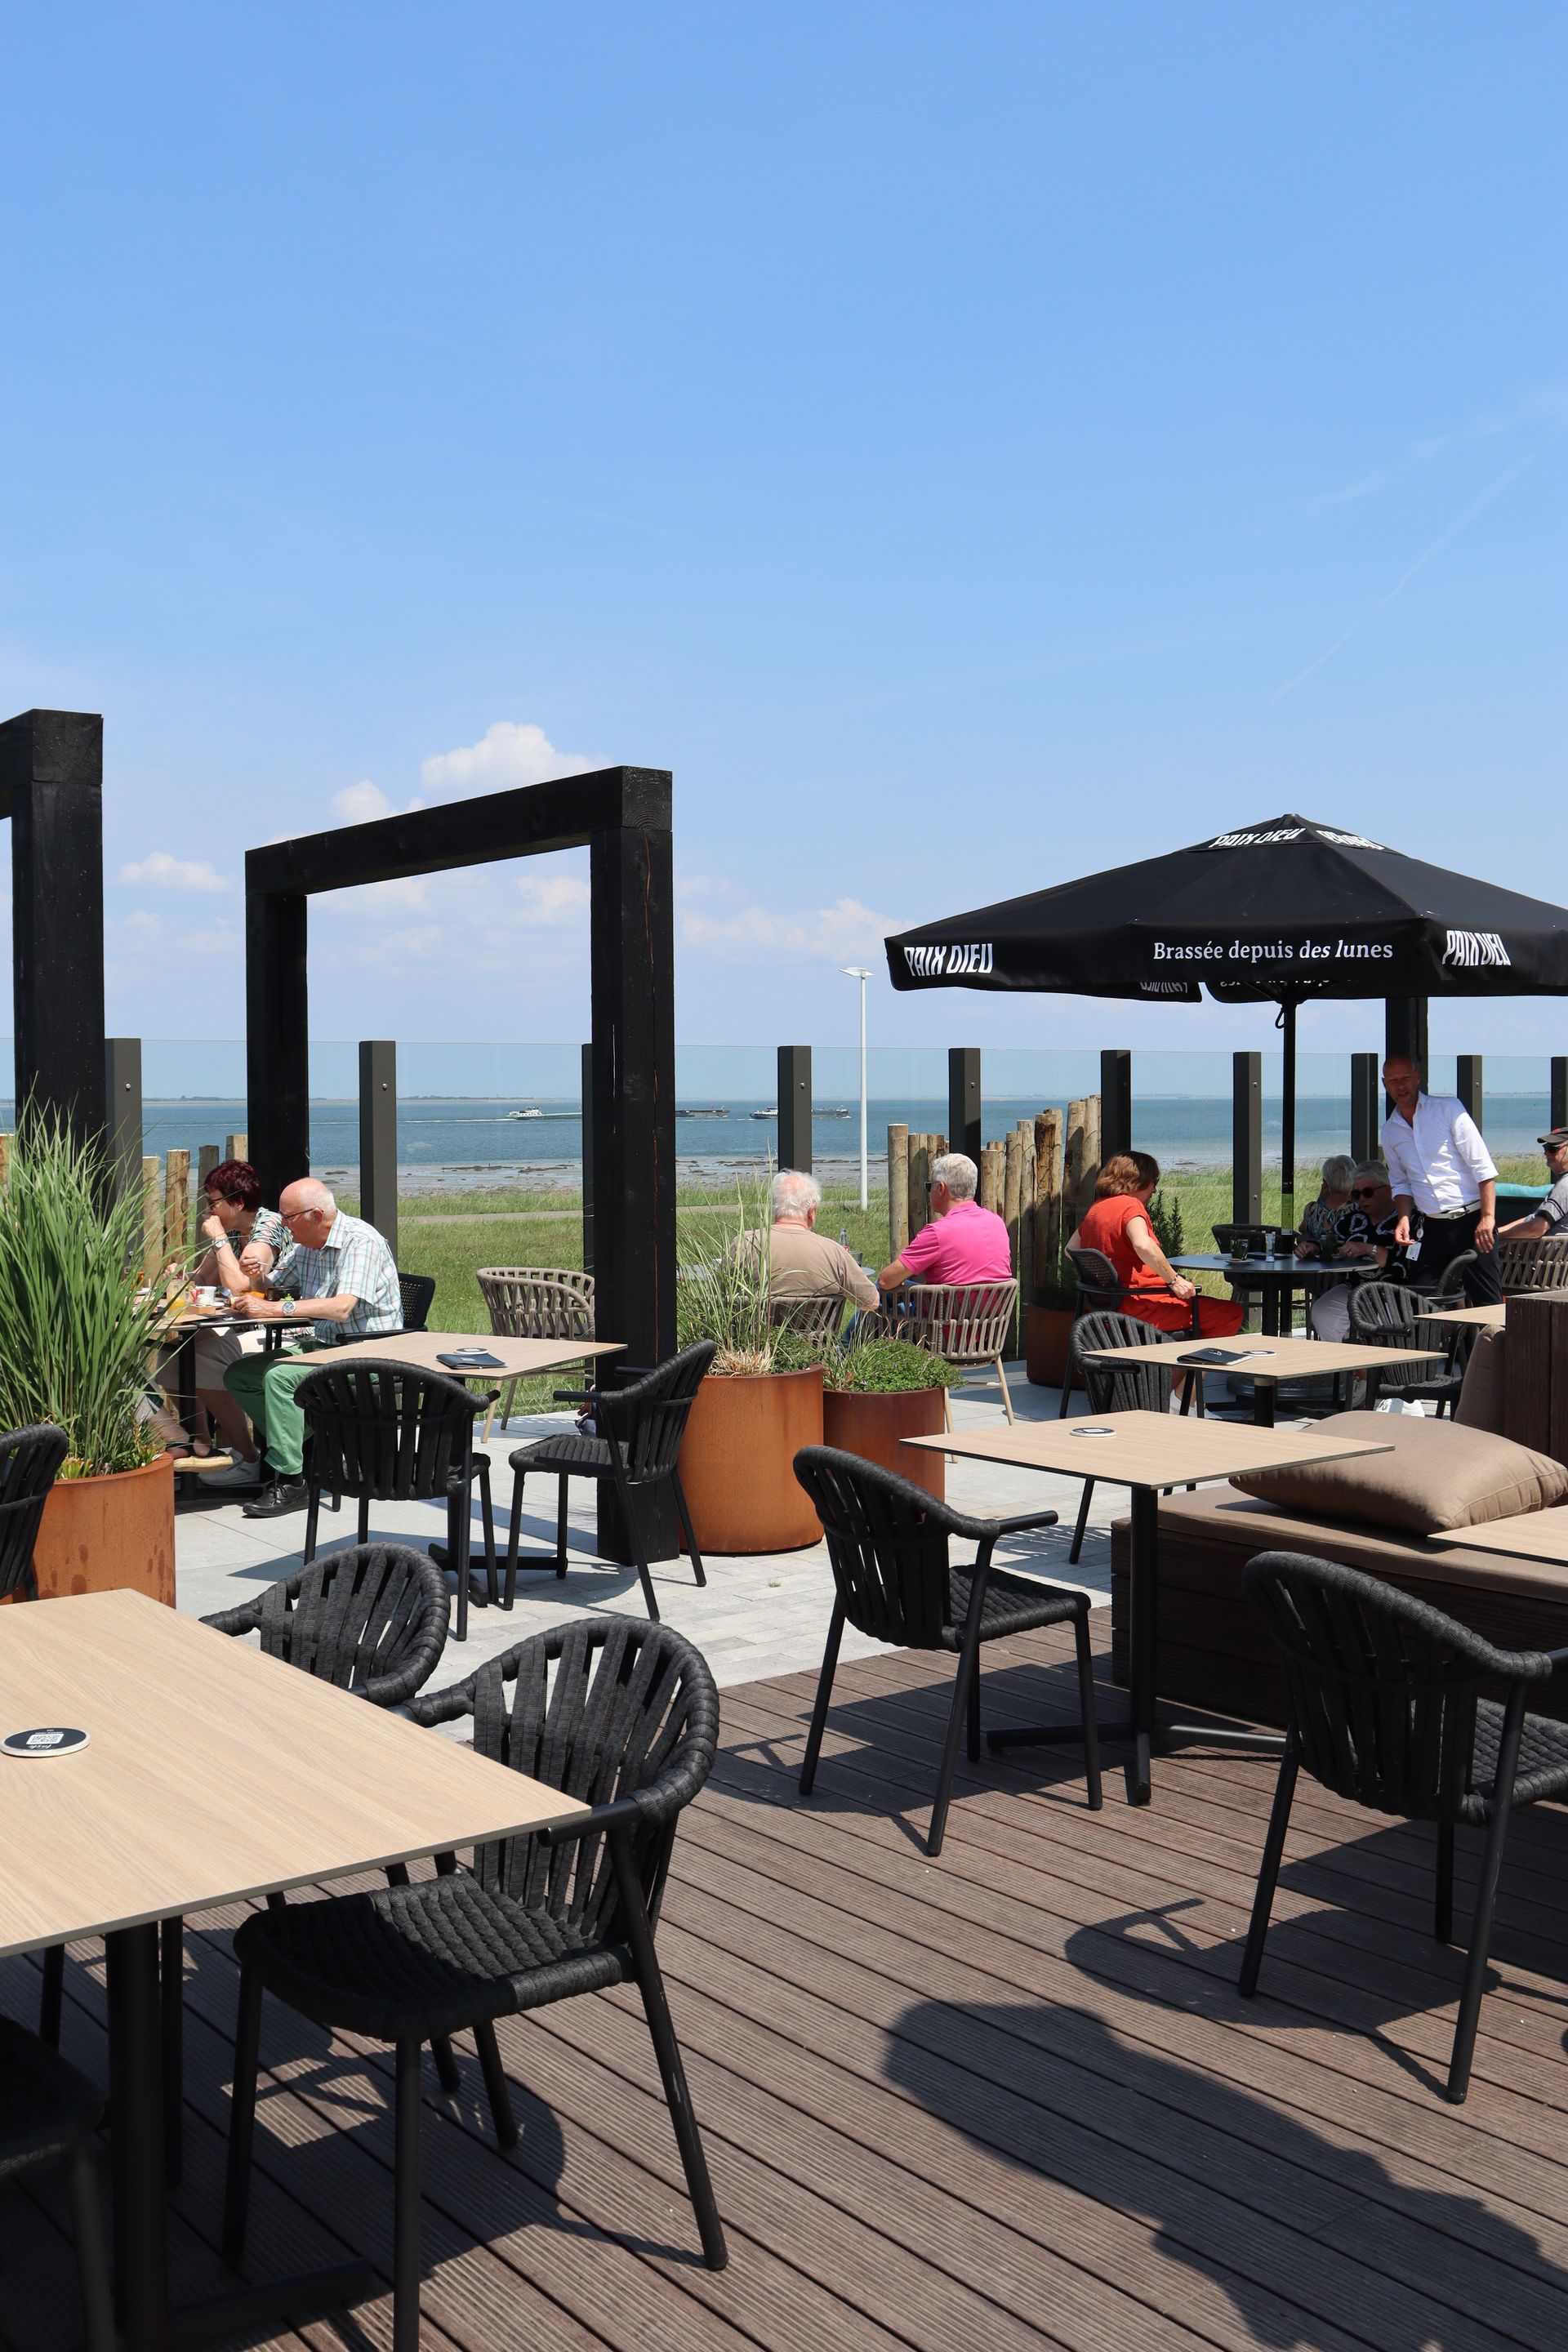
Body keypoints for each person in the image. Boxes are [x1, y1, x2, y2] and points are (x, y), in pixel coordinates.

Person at [223, 1178, 403, 1519]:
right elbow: (271, 1290)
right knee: (241, 1374)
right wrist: (258, 1276)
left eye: (288, 1217)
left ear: (316, 1214)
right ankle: (309, 1443)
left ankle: (292, 1482)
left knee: (279, 1377)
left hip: (368, 1350)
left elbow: (341, 1309)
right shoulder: (307, 1244)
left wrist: (278, 1310)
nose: (283, 1224)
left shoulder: (360, 1241)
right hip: (327, 1346)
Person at [173, 1160, 289, 1476]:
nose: (208, 1211)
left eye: (213, 1203)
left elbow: (241, 1288)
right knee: (173, 1355)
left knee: (205, 1356)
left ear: (237, 1202)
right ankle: (202, 1447)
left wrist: (219, 1239)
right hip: (246, 1324)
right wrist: (179, 1277)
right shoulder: (234, 1232)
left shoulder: (268, 1228)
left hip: (286, 1327)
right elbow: (202, 1281)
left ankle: (248, 1456)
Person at [1068, 1151, 1244, 1337]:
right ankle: (1195, 1364)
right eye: (1154, 1182)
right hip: (1140, 1307)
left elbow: (1070, 1250)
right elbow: (1143, 1245)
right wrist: (1174, 1281)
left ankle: (1181, 1362)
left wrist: (1106, 1277)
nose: (1154, 1190)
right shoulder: (1130, 1206)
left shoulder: (1097, 1209)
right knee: (1230, 1314)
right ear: (1138, 1180)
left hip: (1106, 1308)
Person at [1380, 1056, 1501, 1305]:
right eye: (1393, 1081)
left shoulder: (1448, 1109)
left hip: (1472, 1222)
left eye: (1405, 1078)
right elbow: (1401, 1183)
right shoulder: (1390, 1130)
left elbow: (1483, 1167)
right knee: (1422, 1303)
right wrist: (1403, 1218)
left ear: (1417, 1078)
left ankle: (1492, 1344)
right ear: (1385, 1084)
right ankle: (1440, 1345)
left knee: (1486, 1303)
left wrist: (1488, 1218)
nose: (1400, 1086)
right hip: (1431, 1227)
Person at [877, 1152, 1011, 1294]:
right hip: (992, 1314)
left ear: (940, 1189)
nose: (929, 1192)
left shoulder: (937, 1233)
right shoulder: (997, 1223)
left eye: (930, 1186)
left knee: (875, 1289)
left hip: (944, 1314)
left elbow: (885, 1281)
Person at [1308, 1160, 1402, 1342]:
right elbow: (1332, 1241)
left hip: (1397, 1293)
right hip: (1356, 1288)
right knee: (1322, 1312)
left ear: (1388, 1189)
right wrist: (1314, 1246)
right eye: (1356, 1194)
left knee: (1372, 1324)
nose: (1361, 1200)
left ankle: (1370, 1366)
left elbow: (1403, 1265)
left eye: (1367, 1193)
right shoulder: (1353, 1218)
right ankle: (1351, 1366)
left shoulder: (1406, 1220)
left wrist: (1369, 1249)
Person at [759, 1170, 879, 1311]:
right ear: (811, 1211)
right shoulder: (833, 1252)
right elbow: (871, 1301)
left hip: (754, 1332)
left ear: (775, 1208)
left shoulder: (743, 1244)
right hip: (815, 1332)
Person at [1496, 1127, 1568, 1244]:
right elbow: (1534, 1218)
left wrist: (1497, 1237)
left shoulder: (1565, 1186)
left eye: (1552, 1148)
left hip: (1536, 1258)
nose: (1546, 1152)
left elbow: (1536, 1229)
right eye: (1545, 1147)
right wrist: (1496, 1233)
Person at [1294, 1156, 1355, 1260]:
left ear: (1325, 1183)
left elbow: (1302, 1231)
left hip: (1313, 1270)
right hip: (1347, 1267)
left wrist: (1320, 1199)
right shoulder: (1357, 1210)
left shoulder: (1311, 1209)